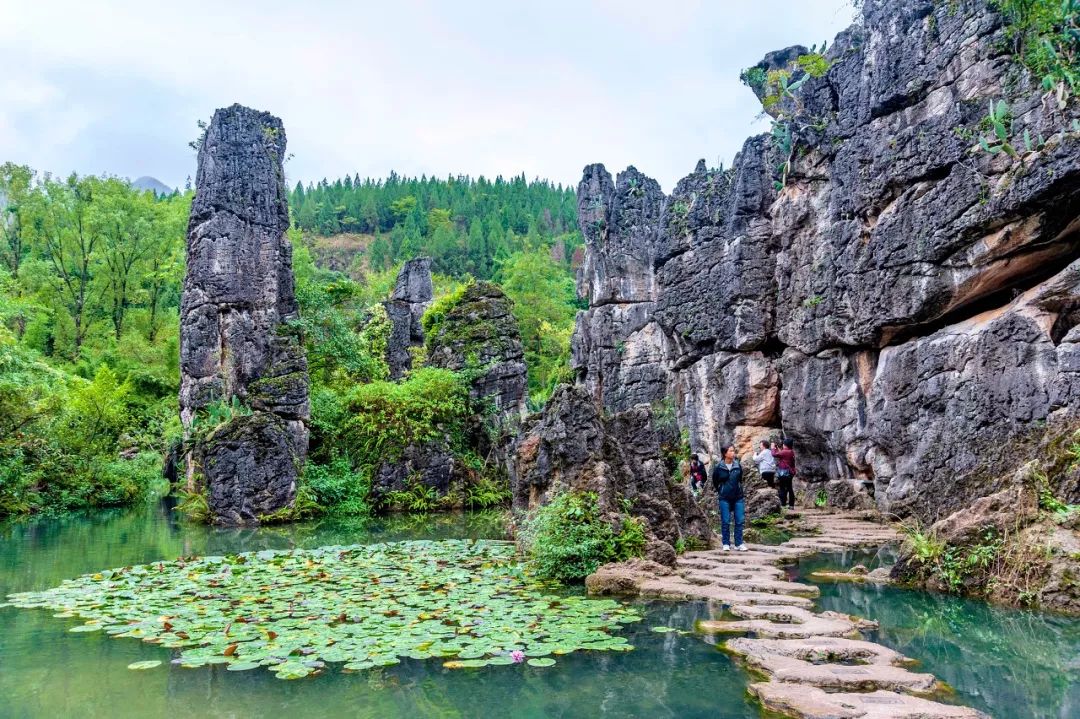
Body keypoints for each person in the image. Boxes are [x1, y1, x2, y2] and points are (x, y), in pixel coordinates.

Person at [711, 445, 746, 551]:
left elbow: (740, 479)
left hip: (738, 497)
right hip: (724, 498)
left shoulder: (737, 465)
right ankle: (726, 543)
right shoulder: (719, 467)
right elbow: (715, 481)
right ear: (725, 453)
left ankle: (739, 543)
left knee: (739, 520)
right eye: (730, 451)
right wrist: (722, 490)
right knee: (725, 521)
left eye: (733, 451)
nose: (733, 452)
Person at [773, 438, 797, 509]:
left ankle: (783, 504)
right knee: (789, 488)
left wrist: (773, 448)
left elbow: (774, 454)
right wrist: (777, 449)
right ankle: (791, 505)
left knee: (782, 488)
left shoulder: (785, 451)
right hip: (790, 472)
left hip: (784, 472)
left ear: (785, 445)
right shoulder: (791, 451)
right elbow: (781, 454)